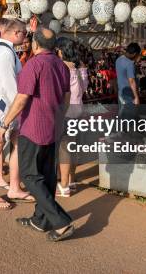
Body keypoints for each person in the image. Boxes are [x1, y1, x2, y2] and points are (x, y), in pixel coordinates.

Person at [0, 28, 75, 242]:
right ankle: (40, 219)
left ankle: (61, 221)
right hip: (53, 126)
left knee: (30, 175)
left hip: (33, 127)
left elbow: (22, 99)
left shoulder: (33, 64)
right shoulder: (62, 66)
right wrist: (57, 117)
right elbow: (66, 99)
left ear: (35, 45)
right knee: (47, 175)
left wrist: (5, 124)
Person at [0, 19, 33, 209]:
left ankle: (14, 187)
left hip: (6, 106)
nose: (26, 38)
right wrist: (19, 107)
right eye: (25, 34)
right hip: (1, 107)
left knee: (14, 145)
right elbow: (9, 85)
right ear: (17, 33)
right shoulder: (3, 52)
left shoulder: (5, 50)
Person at [55, 37, 89, 198]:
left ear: (62, 50)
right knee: (73, 146)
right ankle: (72, 180)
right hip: (79, 110)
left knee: (64, 148)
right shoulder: (80, 66)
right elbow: (84, 88)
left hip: (67, 112)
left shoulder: (63, 67)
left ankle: (64, 185)